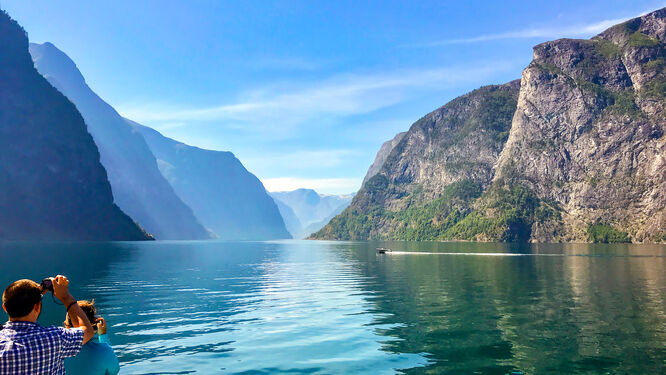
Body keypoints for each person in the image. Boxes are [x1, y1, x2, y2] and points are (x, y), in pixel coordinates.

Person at [0, 275, 95, 374]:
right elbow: (87, 331)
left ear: (5, 308)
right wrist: (65, 297)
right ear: (37, 307)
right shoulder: (54, 338)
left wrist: (36, 295)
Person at [64, 300, 119, 375]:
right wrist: (103, 336)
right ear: (93, 324)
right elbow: (114, 371)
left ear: (66, 324)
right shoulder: (104, 351)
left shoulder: (56, 351)